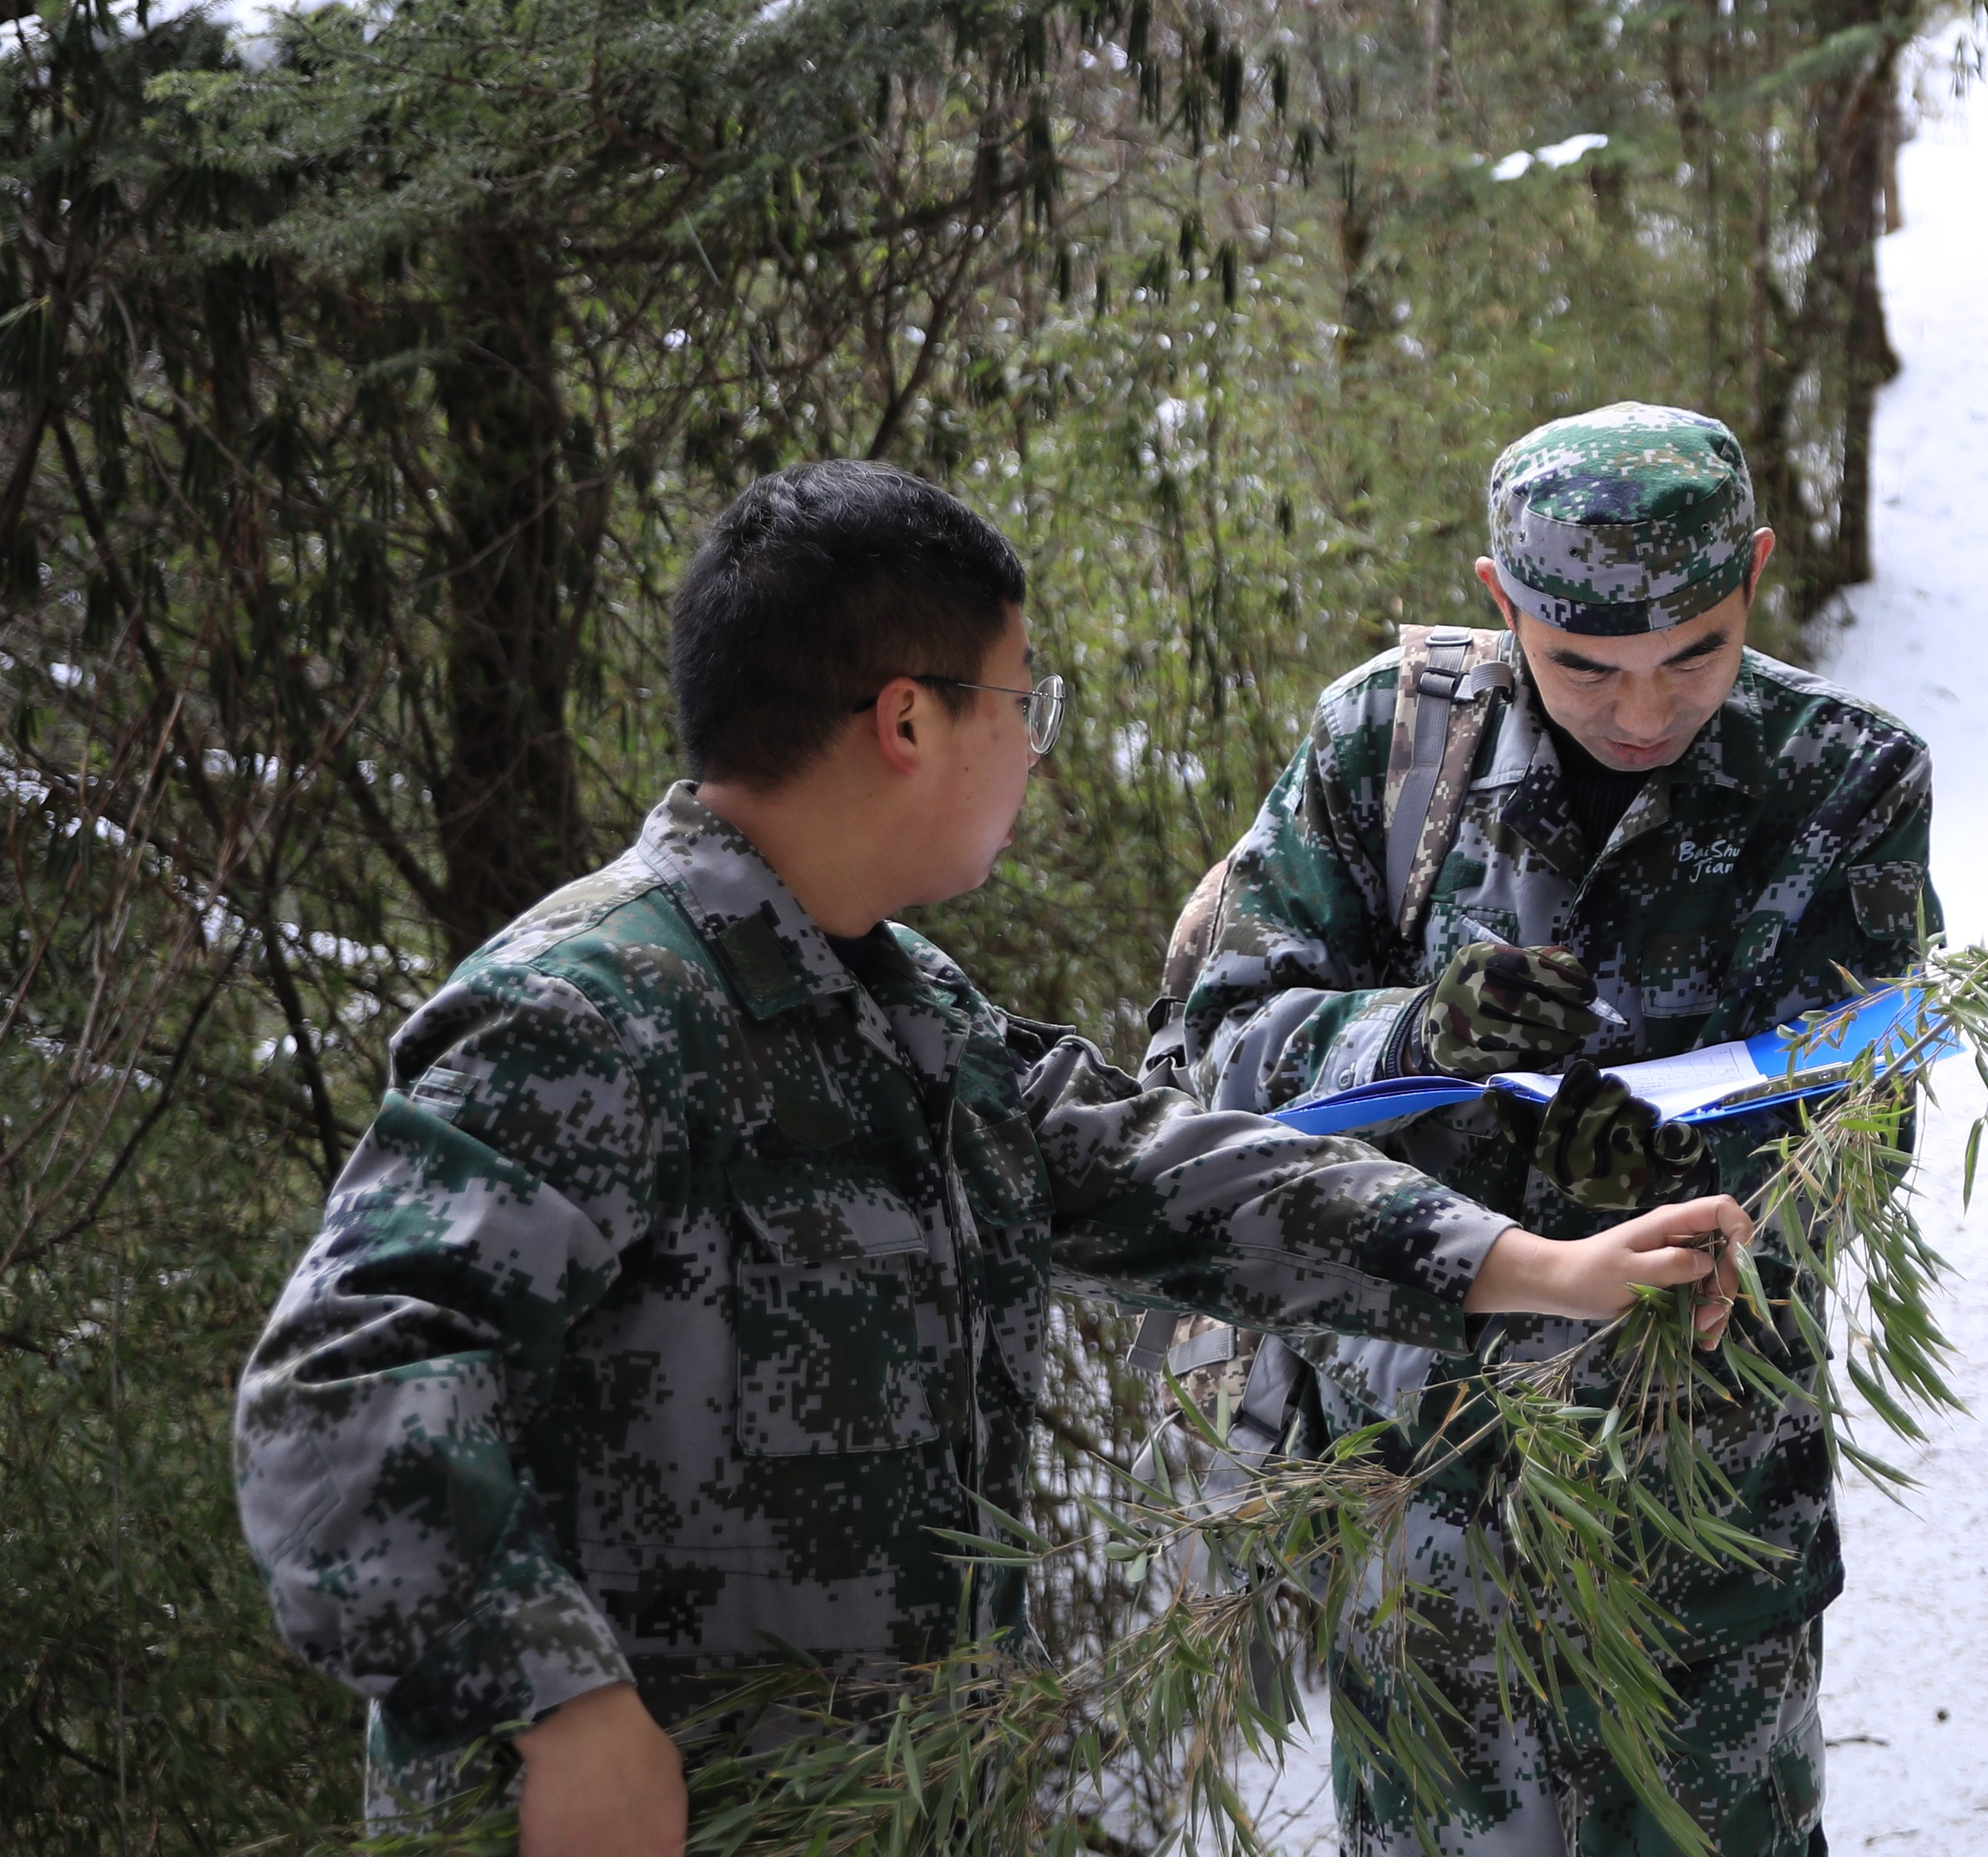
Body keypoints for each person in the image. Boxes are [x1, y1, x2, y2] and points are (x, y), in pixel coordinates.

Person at [232, 460, 1758, 1857]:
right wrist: (562, 1701)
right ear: (911, 717)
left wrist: (1530, 1268)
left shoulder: (901, 1006)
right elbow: (340, 1389)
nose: (1036, 745)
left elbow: (1172, 1170)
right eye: (1028, 700)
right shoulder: (591, 1010)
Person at [1162, 400, 1934, 1857]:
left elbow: (1862, 1117)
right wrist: (1419, 1031)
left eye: (1692, 653)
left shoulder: (1844, 782)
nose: (1642, 711)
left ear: (1757, 573)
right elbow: (1218, 1051)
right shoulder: (1385, 745)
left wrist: (1676, 1173)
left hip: (1700, 1486)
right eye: (1585, 664)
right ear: (1499, 599)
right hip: (1420, 1465)